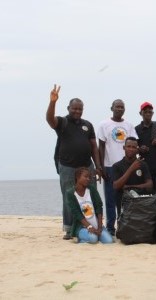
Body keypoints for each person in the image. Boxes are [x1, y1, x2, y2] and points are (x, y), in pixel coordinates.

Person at [46, 84, 101, 240]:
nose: (77, 111)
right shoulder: (62, 122)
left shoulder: (87, 125)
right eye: (74, 108)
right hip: (67, 167)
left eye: (80, 109)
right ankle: (70, 229)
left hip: (87, 166)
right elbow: (50, 120)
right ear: (68, 108)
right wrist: (52, 102)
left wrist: (98, 167)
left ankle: (94, 225)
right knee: (69, 197)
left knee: (91, 196)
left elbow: (94, 147)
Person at [98, 99, 137, 236]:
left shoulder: (129, 125)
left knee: (126, 199)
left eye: (122, 107)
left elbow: (133, 145)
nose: (120, 109)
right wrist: (101, 166)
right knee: (110, 199)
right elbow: (101, 146)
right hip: (109, 167)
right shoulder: (104, 124)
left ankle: (125, 225)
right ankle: (110, 228)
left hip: (126, 167)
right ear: (112, 108)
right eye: (117, 107)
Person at [67, 167, 113, 244]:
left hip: (97, 225)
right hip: (82, 227)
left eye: (89, 177)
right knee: (93, 238)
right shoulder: (70, 193)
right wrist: (89, 227)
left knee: (109, 241)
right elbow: (76, 213)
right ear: (78, 177)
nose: (88, 179)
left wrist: (99, 227)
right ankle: (81, 239)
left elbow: (99, 207)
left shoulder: (92, 189)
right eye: (85, 176)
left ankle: (86, 239)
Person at [135, 101, 156, 191]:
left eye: (150, 111)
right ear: (140, 113)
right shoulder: (137, 129)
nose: (148, 113)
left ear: (153, 113)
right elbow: (133, 148)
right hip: (145, 168)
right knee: (148, 194)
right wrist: (140, 149)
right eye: (145, 111)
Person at [112, 137, 153, 209]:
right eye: (128, 146)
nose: (131, 149)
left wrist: (129, 187)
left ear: (137, 149)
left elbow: (150, 185)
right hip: (124, 206)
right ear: (124, 148)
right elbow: (116, 186)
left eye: (133, 147)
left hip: (141, 205)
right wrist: (131, 169)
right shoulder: (116, 166)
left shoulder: (143, 164)